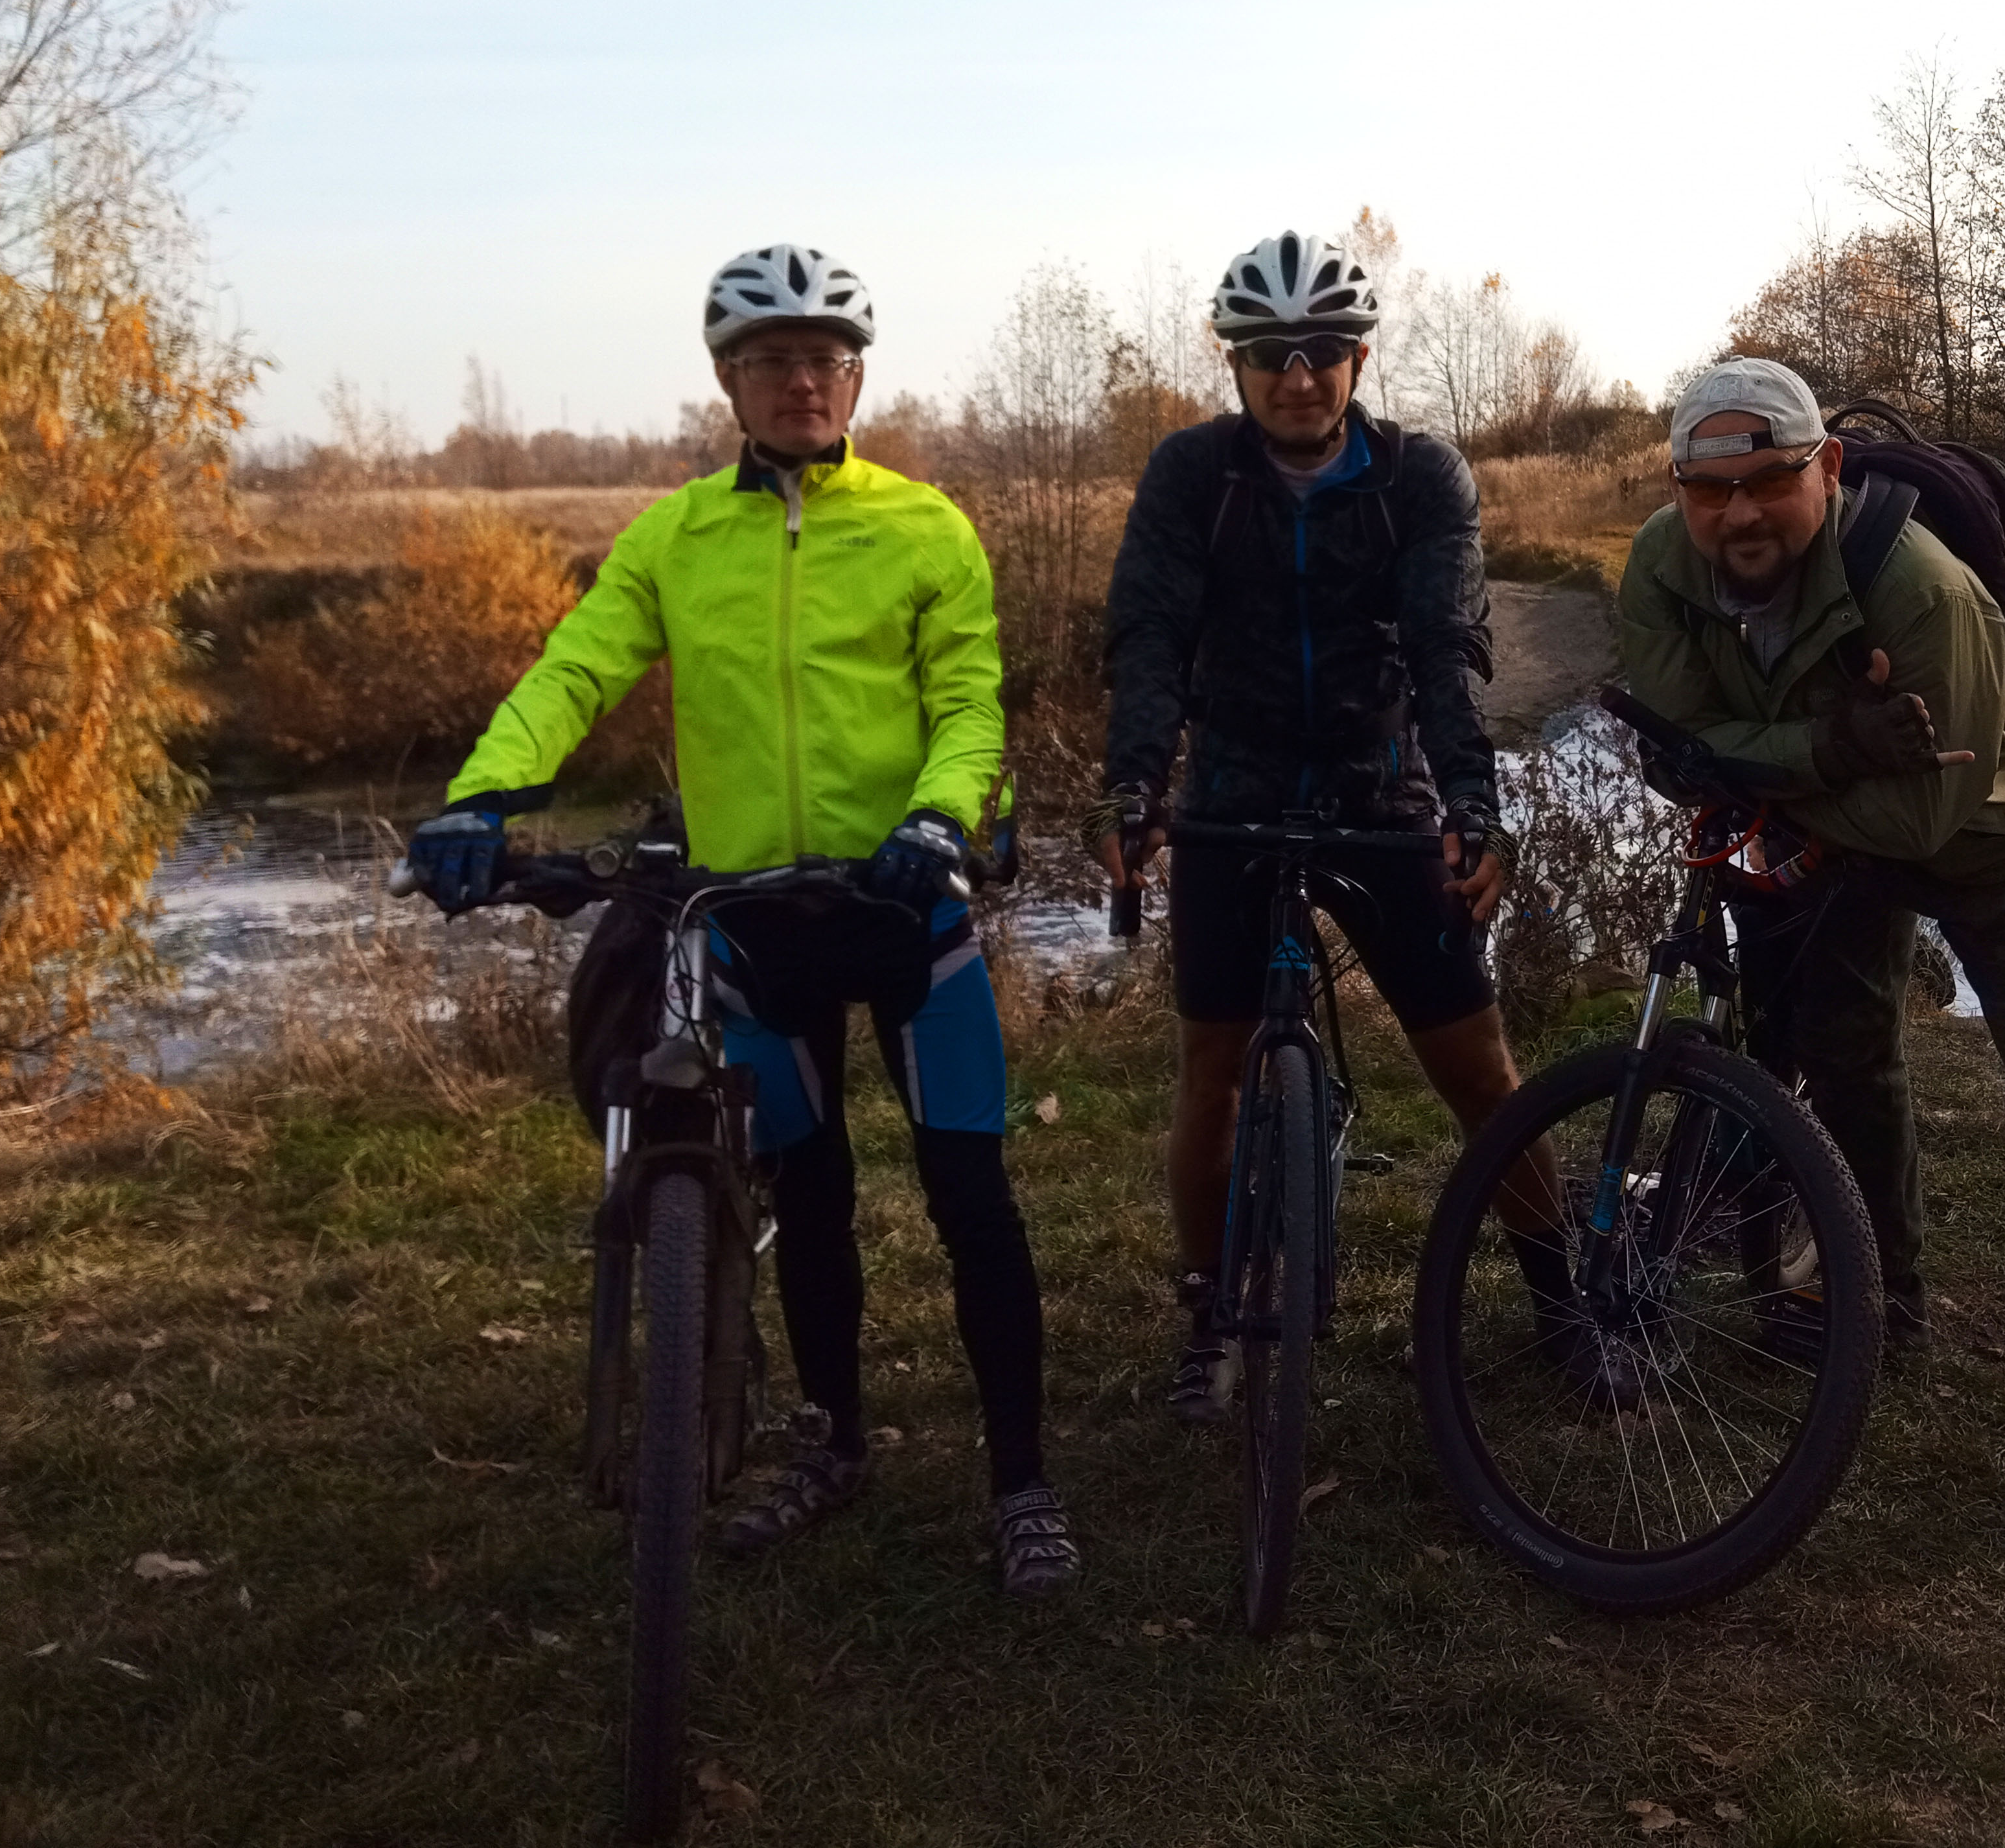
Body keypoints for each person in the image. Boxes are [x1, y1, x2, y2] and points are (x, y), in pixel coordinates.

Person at [402, 244, 1076, 1599]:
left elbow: (969, 703)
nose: (801, 381)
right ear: (729, 380)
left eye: (825, 359)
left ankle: (1022, 1481)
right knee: (811, 1202)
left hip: (905, 905)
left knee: (972, 1199)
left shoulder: (924, 528)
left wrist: (939, 820)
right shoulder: (674, 539)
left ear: (858, 378)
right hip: (756, 921)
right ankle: (836, 1441)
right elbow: (576, 670)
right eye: (771, 360)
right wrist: (481, 796)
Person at [1614, 356, 2005, 1549]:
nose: (1740, 513)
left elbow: (1923, 816)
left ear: (1825, 469)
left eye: (1769, 480)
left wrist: (1765, 769)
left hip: (1994, 840)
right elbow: (1675, 743)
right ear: (1677, 492)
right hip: (1831, 830)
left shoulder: (1921, 589)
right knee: (1846, 1066)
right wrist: (1831, 746)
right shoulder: (1664, 566)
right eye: (1711, 491)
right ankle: (1882, 1305)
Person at [1093, 227, 1601, 1423]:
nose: (1298, 374)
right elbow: (1151, 637)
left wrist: (1473, 805)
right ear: (1234, 362)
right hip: (1233, 789)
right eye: (1269, 352)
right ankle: (1211, 1314)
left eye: (1322, 349)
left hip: (1379, 788)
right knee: (1212, 1073)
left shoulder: (1421, 479)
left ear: (1359, 359)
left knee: (1477, 1069)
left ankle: (1563, 1300)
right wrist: (1135, 787)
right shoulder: (1192, 475)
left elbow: (1443, 651)